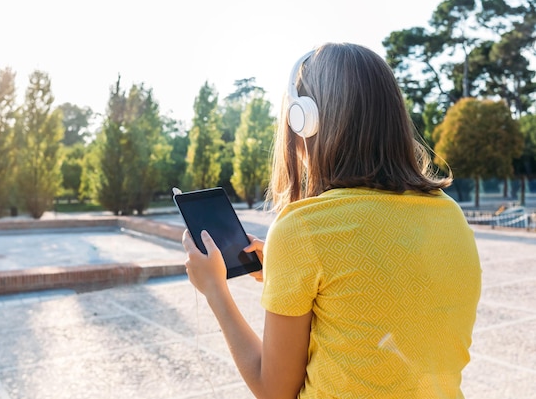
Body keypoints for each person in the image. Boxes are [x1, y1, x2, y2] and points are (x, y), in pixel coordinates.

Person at [181, 42, 481, 399]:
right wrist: (287, 276)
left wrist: (214, 288)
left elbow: (274, 390)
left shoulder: (303, 228)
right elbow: (375, 304)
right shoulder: (450, 214)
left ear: (304, 120)